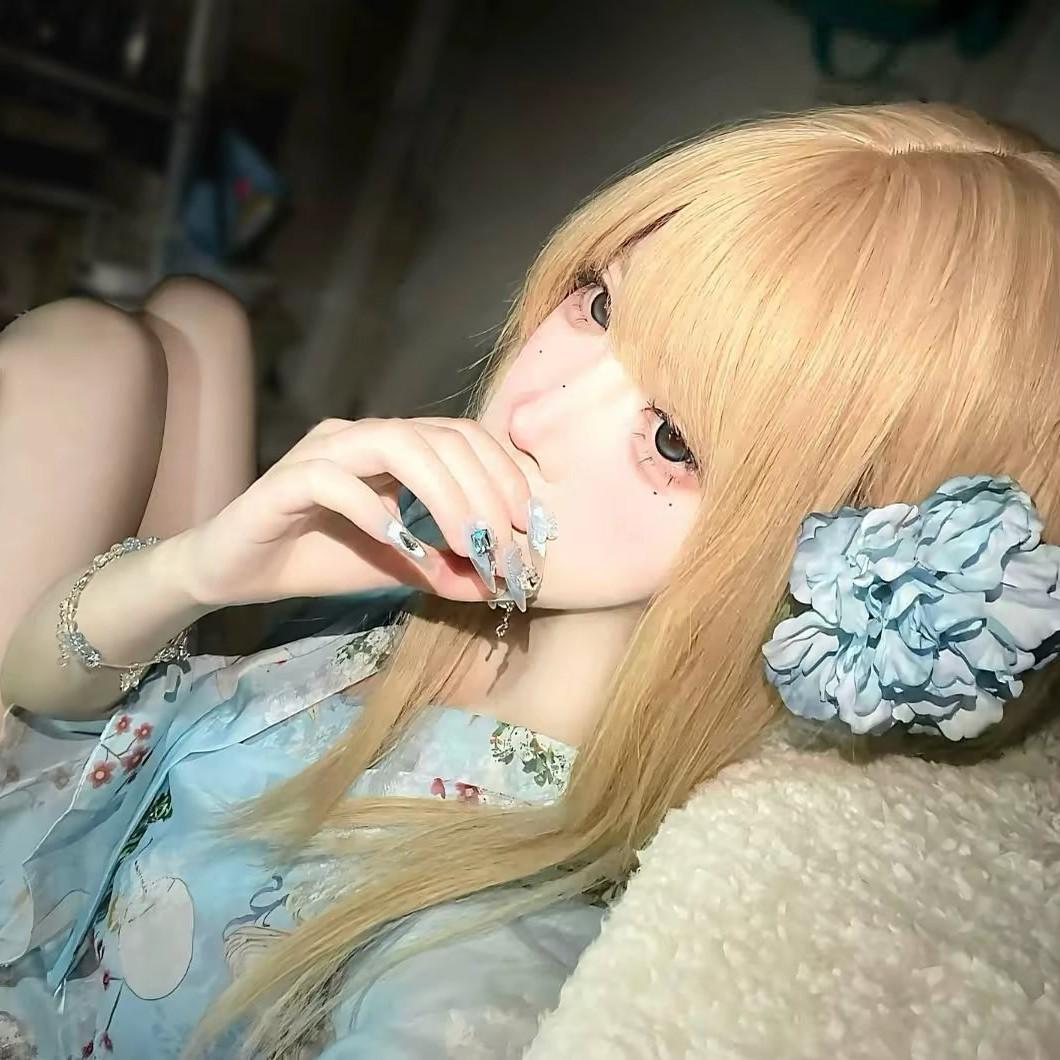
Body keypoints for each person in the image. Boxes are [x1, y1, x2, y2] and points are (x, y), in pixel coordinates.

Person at [2, 100, 1060, 1059]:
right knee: (197, 315)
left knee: (85, 351)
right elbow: (46, 680)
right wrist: (203, 569)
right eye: (597, 304)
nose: (532, 411)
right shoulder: (463, 562)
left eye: (672, 439)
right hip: (98, 798)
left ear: (839, 567)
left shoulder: (491, 937)